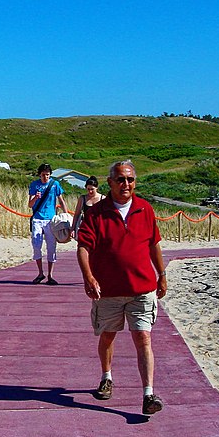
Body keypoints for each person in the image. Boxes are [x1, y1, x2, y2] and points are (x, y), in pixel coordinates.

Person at [75, 160, 167, 416]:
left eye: (130, 179)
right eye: (120, 180)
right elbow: (83, 247)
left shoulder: (145, 209)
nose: (126, 184)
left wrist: (162, 274)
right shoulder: (96, 213)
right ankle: (107, 376)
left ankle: (148, 394)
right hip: (109, 291)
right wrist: (88, 276)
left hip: (142, 289)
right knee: (108, 335)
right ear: (110, 183)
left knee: (143, 337)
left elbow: (154, 244)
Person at [28, 163, 69, 285]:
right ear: (39, 175)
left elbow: (61, 201)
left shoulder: (55, 185)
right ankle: (40, 273)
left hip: (51, 219)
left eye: (47, 175)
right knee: (36, 243)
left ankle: (50, 275)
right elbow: (30, 204)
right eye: (43, 175)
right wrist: (35, 197)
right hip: (37, 218)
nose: (45, 177)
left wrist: (66, 216)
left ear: (50, 175)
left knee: (51, 246)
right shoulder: (35, 185)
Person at [71, 176, 105, 240]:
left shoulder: (103, 198)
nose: (90, 191)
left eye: (92, 189)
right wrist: (73, 228)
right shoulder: (82, 198)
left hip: (99, 227)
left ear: (96, 188)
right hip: (86, 227)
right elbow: (77, 214)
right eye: (88, 189)